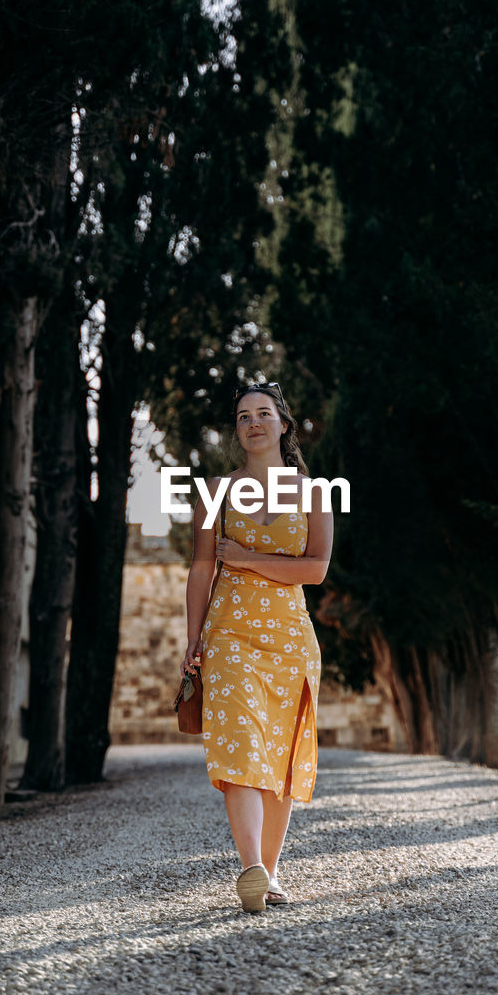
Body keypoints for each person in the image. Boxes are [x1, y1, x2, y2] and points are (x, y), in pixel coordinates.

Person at [181, 382, 333, 913]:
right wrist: (192, 638)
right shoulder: (214, 492)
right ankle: (251, 867)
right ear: (237, 429)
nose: (253, 423)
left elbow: (315, 569)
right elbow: (202, 568)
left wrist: (244, 558)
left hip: (291, 638)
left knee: (281, 758)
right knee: (241, 744)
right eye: (243, 415)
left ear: (284, 425)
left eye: (263, 413)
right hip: (228, 635)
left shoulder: (315, 492)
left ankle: (270, 874)